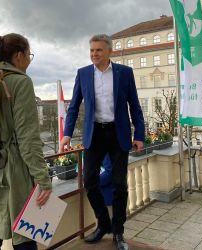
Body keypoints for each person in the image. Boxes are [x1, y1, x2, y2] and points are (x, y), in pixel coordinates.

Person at [60, 34, 144, 250]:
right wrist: (67, 134)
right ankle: (103, 223)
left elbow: (134, 105)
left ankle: (118, 232)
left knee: (119, 185)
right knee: (89, 181)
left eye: (98, 50)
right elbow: (74, 106)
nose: (94, 54)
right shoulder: (83, 74)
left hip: (118, 134)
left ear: (109, 51)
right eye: (91, 50)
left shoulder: (125, 73)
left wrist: (139, 135)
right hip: (94, 134)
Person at [0, 33, 52, 250]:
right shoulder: (21, 82)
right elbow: (28, 138)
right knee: (26, 235)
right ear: (18, 56)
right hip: (11, 173)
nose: (29, 61)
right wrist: (43, 179)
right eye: (29, 55)